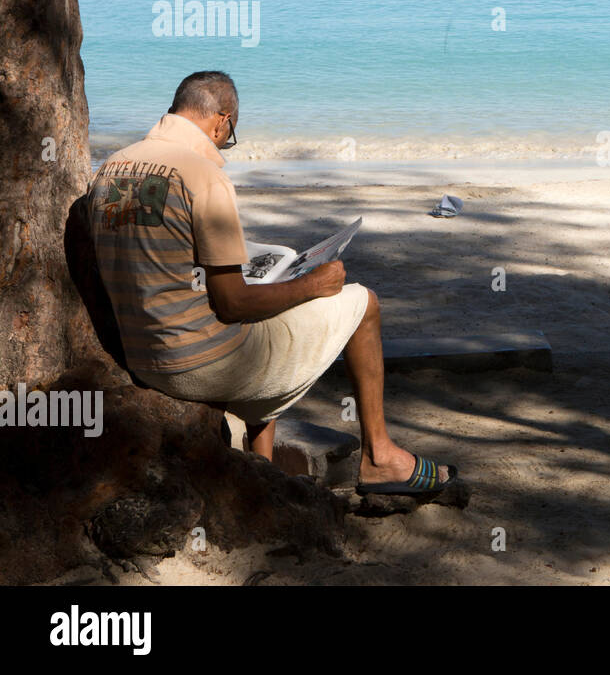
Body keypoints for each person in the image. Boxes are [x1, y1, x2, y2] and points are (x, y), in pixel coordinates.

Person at [84, 71, 456, 497]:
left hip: (144, 357)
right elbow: (234, 304)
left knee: (273, 316)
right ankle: (380, 457)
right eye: (229, 136)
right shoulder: (203, 175)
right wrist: (313, 284)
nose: (224, 146)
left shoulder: (111, 167)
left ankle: (261, 466)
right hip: (198, 365)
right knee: (363, 303)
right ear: (222, 121)